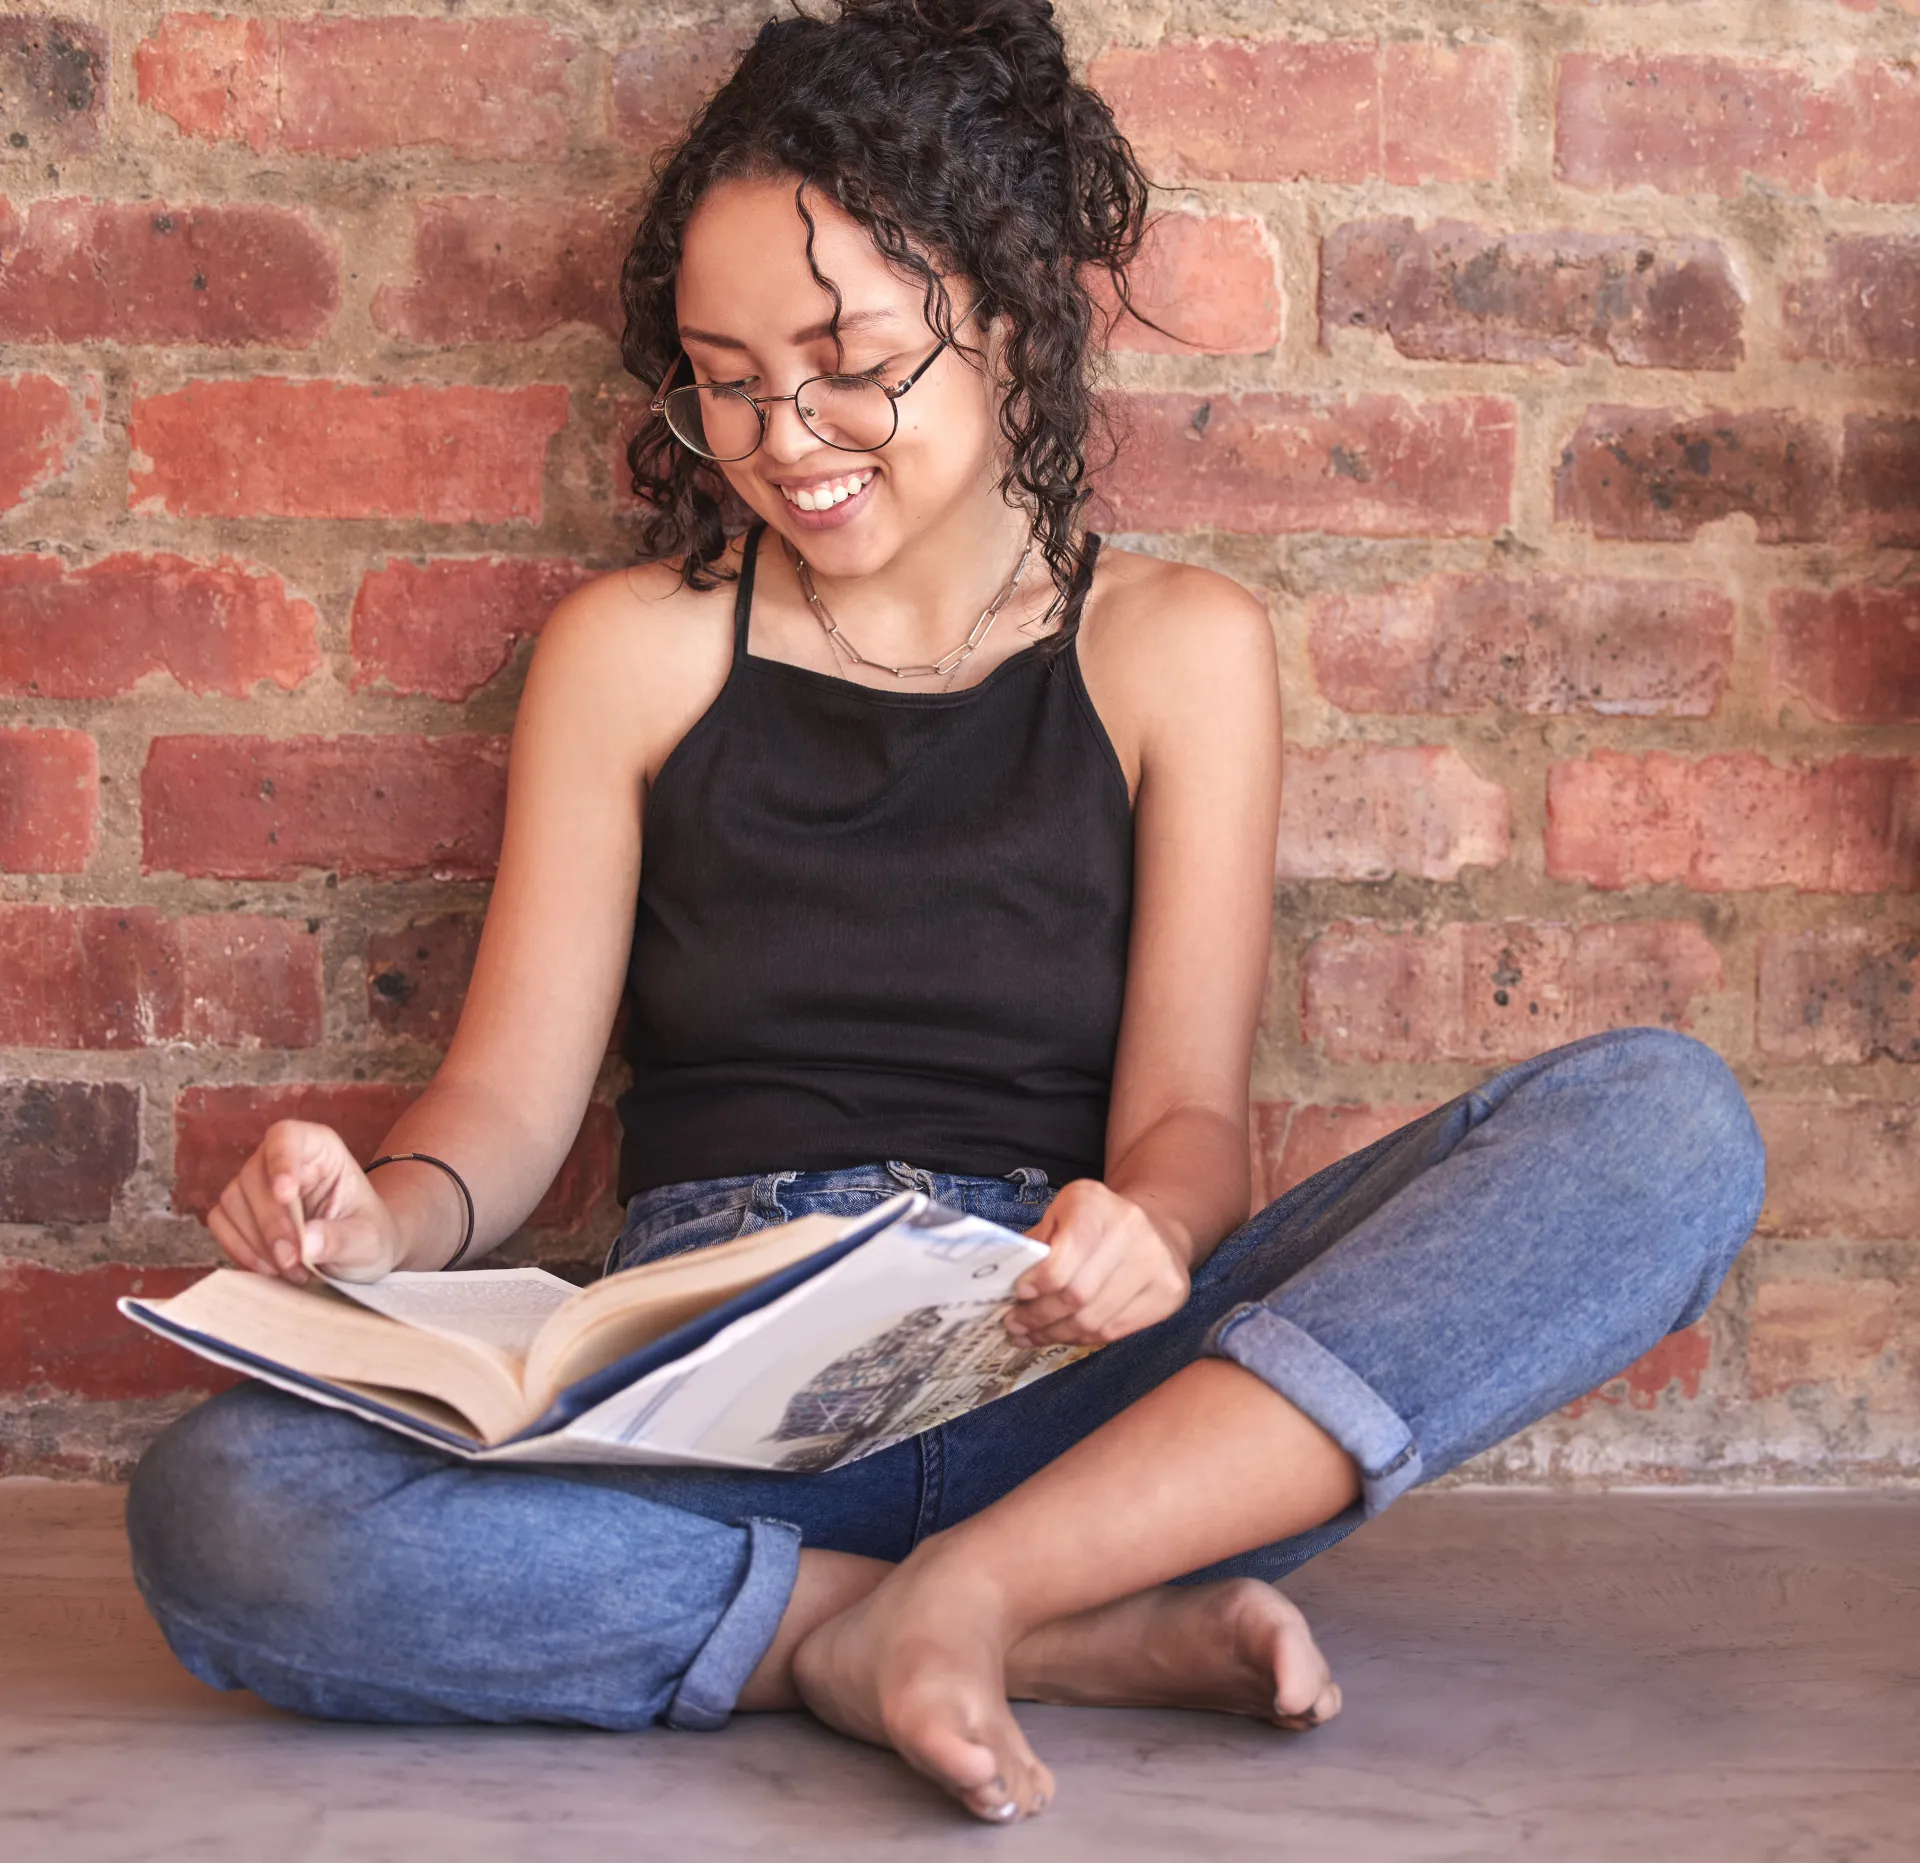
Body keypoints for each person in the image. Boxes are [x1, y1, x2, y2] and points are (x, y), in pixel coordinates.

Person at [125, 0, 1766, 1826]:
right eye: (726, 376)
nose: (786, 436)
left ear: (1005, 311)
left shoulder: (1179, 651)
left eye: (851, 364)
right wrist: (375, 1226)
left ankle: (988, 1584)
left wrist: (1145, 1228)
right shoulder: (630, 653)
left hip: (1062, 1372)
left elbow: (1186, 1124)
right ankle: (962, 1628)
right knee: (229, 1502)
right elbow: (504, 1119)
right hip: (709, 1398)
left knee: (1665, 1129)